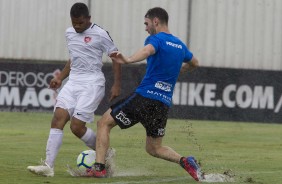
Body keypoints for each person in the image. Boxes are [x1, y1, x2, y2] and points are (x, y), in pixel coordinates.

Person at [87, 7, 204, 181]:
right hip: (163, 103)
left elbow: (147, 50)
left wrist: (128, 59)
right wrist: (178, 71)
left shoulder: (155, 39)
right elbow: (195, 62)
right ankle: (185, 161)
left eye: (146, 23)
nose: (146, 27)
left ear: (156, 21)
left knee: (104, 123)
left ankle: (99, 167)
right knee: (154, 148)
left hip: (145, 97)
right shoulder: (180, 45)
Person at [27, 2, 121, 177]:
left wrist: (116, 84)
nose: (77, 26)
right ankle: (48, 165)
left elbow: (116, 58)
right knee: (58, 119)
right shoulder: (69, 33)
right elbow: (73, 60)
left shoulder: (100, 34)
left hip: (92, 83)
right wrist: (60, 78)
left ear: (88, 19)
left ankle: (105, 152)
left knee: (77, 127)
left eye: (80, 23)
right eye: (74, 23)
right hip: (73, 82)